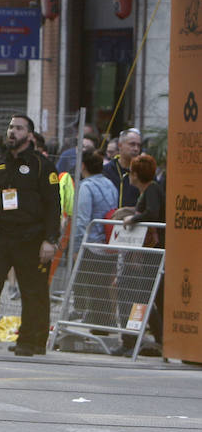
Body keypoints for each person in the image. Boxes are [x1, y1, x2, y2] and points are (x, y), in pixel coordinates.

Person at [0, 114, 60, 357]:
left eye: (18, 128)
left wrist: (51, 240)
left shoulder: (41, 165)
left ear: (29, 135)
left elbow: (53, 206)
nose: (12, 132)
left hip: (31, 238)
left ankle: (30, 341)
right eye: (10, 127)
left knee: (32, 291)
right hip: (0, 237)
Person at [113, 153, 166, 356]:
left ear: (135, 175)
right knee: (145, 297)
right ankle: (154, 339)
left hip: (150, 253)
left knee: (141, 296)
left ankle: (135, 339)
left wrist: (132, 220)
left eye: (131, 173)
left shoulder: (152, 190)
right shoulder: (149, 190)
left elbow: (151, 213)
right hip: (148, 253)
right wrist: (129, 210)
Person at [69, 149, 119, 328]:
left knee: (93, 286)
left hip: (92, 245)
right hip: (110, 242)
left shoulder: (86, 187)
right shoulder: (111, 184)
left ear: (83, 166)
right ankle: (104, 322)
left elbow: (82, 221)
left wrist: (76, 248)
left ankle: (98, 322)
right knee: (104, 286)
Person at [103, 128, 142, 207]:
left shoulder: (144, 171)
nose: (136, 149)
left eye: (138, 145)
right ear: (120, 145)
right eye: (132, 144)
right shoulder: (106, 170)